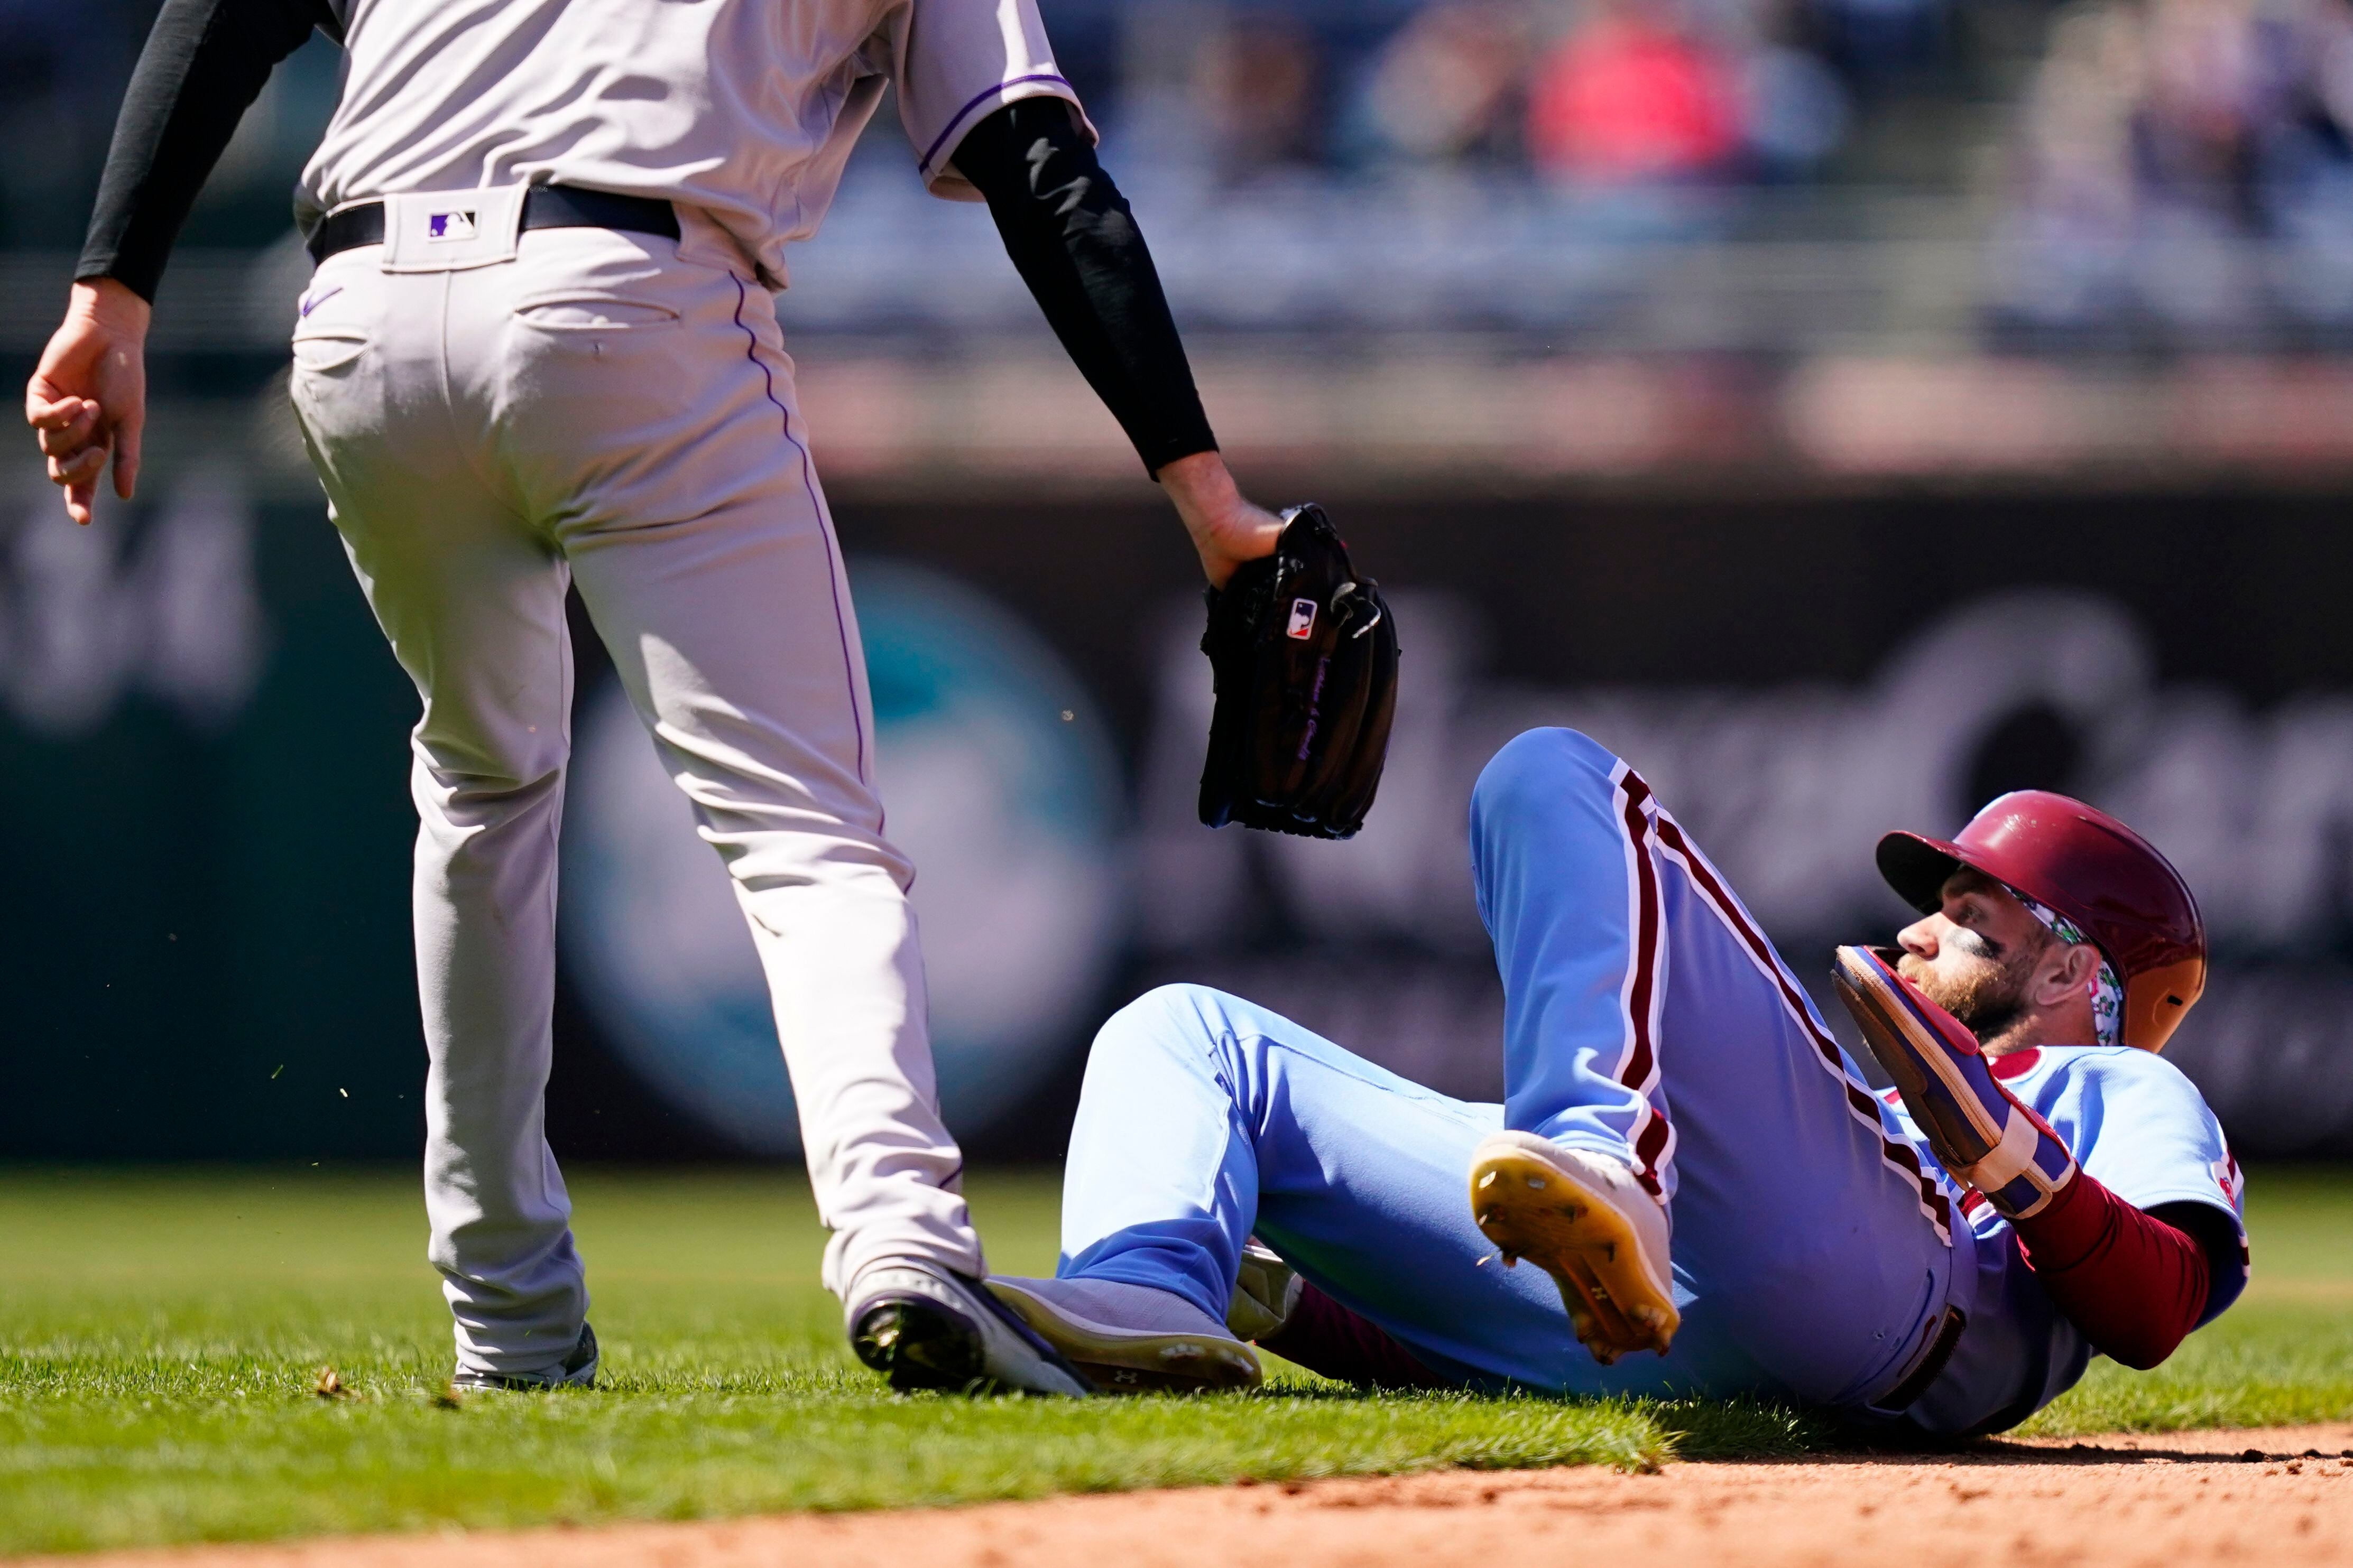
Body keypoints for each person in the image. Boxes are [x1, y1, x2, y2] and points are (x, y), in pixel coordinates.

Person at [24, 0, 1290, 1397]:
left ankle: (505, 1315)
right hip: (629, 293)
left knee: (481, 789)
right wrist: (1206, 491)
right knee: (804, 831)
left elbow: (222, 11)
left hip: (361, 311)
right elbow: (1035, 163)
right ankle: (899, 1239)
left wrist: (110, 294)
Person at [982, 729, 2248, 1434]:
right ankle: (1154, 1297)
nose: (1920, 927)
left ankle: (1599, 1144)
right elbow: (1511, 1340)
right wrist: (1305, 1310)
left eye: (1973, 912)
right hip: (1690, 1325)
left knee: (1555, 774)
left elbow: (2154, 1309)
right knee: (1187, 1034)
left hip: (1913, 1299)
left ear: (2078, 966)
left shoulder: (2122, 1090)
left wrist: (1996, 1144)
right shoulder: (1888, 1092)